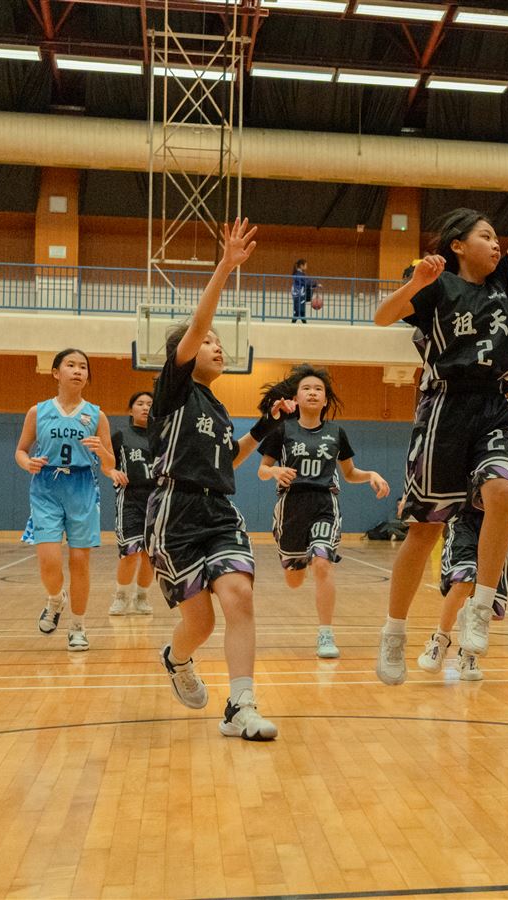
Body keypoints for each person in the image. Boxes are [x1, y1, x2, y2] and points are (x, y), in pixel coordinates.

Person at [371, 131, 508, 686]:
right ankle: (394, 631)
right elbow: (381, 317)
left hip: (495, 405)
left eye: (497, 237)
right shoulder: (436, 285)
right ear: (458, 244)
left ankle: (480, 607)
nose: (496, 244)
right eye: (486, 236)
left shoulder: (500, 283)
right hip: (444, 410)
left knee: (501, 492)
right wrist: (415, 283)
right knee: (424, 532)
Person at [148, 217, 286, 741]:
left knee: (239, 597)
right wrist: (226, 265)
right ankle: (177, 657)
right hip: (175, 513)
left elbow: (230, 459)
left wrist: (266, 425)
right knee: (201, 623)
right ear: (184, 353)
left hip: (219, 511)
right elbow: (197, 324)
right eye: (208, 342)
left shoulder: (217, 408)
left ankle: (241, 705)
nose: (217, 346)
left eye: (219, 343)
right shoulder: (174, 390)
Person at [257, 364, 390, 658]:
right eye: (306, 388)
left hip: (324, 504)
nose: (313, 392)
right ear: (296, 397)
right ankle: (298, 559)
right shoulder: (282, 430)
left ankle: (326, 634)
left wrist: (371, 475)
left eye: (318, 389)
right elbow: (262, 470)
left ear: (326, 399)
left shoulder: (336, 432)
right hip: (291, 507)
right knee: (294, 581)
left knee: (322, 562)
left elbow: (350, 473)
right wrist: (275, 471)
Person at [418, 444, 508, 680]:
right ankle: (440, 639)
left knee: (485, 596)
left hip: (500, 526)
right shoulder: (465, 437)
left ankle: (468, 654)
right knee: (464, 581)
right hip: (463, 521)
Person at [15, 348, 116, 651]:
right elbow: (21, 450)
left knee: (80, 562)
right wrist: (27, 463)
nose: (77, 370)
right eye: (70, 365)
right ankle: (55, 599)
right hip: (46, 486)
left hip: (82, 486)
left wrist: (102, 451)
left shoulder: (97, 415)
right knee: (49, 562)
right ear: (56, 373)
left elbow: (109, 465)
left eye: (83, 366)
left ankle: (78, 626)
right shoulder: (38, 412)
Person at [109, 390, 157, 615]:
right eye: (140, 403)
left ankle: (141, 596)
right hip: (130, 499)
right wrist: (112, 471)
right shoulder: (121, 436)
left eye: (149, 404)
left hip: (157, 500)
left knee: (150, 554)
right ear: (131, 410)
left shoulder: (163, 437)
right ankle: (121, 596)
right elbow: (107, 463)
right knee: (130, 552)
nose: (145, 407)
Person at [290, 258, 319, 324]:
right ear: (301, 266)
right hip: (299, 294)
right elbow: (306, 282)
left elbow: (307, 281)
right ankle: (298, 324)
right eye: (306, 265)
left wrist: (315, 284)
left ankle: (301, 324)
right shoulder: (298, 274)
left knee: (300, 310)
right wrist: (315, 284)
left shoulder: (300, 274)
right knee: (299, 311)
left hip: (298, 294)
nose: (306, 267)